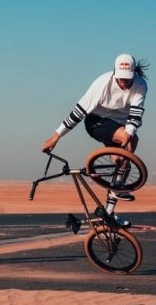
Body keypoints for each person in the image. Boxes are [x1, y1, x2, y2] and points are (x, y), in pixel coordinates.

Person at [42, 53, 148, 221]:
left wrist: (129, 133)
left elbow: (135, 116)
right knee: (131, 142)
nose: (124, 83)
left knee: (123, 166)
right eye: (121, 79)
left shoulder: (141, 85)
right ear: (114, 72)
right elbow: (78, 113)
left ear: (134, 73)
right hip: (96, 123)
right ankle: (117, 186)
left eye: (128, 79)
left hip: (119, 126)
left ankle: (108, 212)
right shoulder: (102, 84)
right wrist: (56, 136)